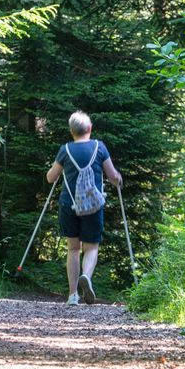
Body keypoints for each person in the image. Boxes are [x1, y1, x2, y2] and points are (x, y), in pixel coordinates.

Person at [46, 110, 122, 305]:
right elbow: (113, 176)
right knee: (91, 247)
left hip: (69, 204)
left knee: (73, 248)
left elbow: (51, 178)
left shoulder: (65, 149)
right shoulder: (99, 147)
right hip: (92, 205)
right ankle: (86, 276)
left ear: (71, 131)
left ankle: (73, 295)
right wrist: (118, 180)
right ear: (90, 128)